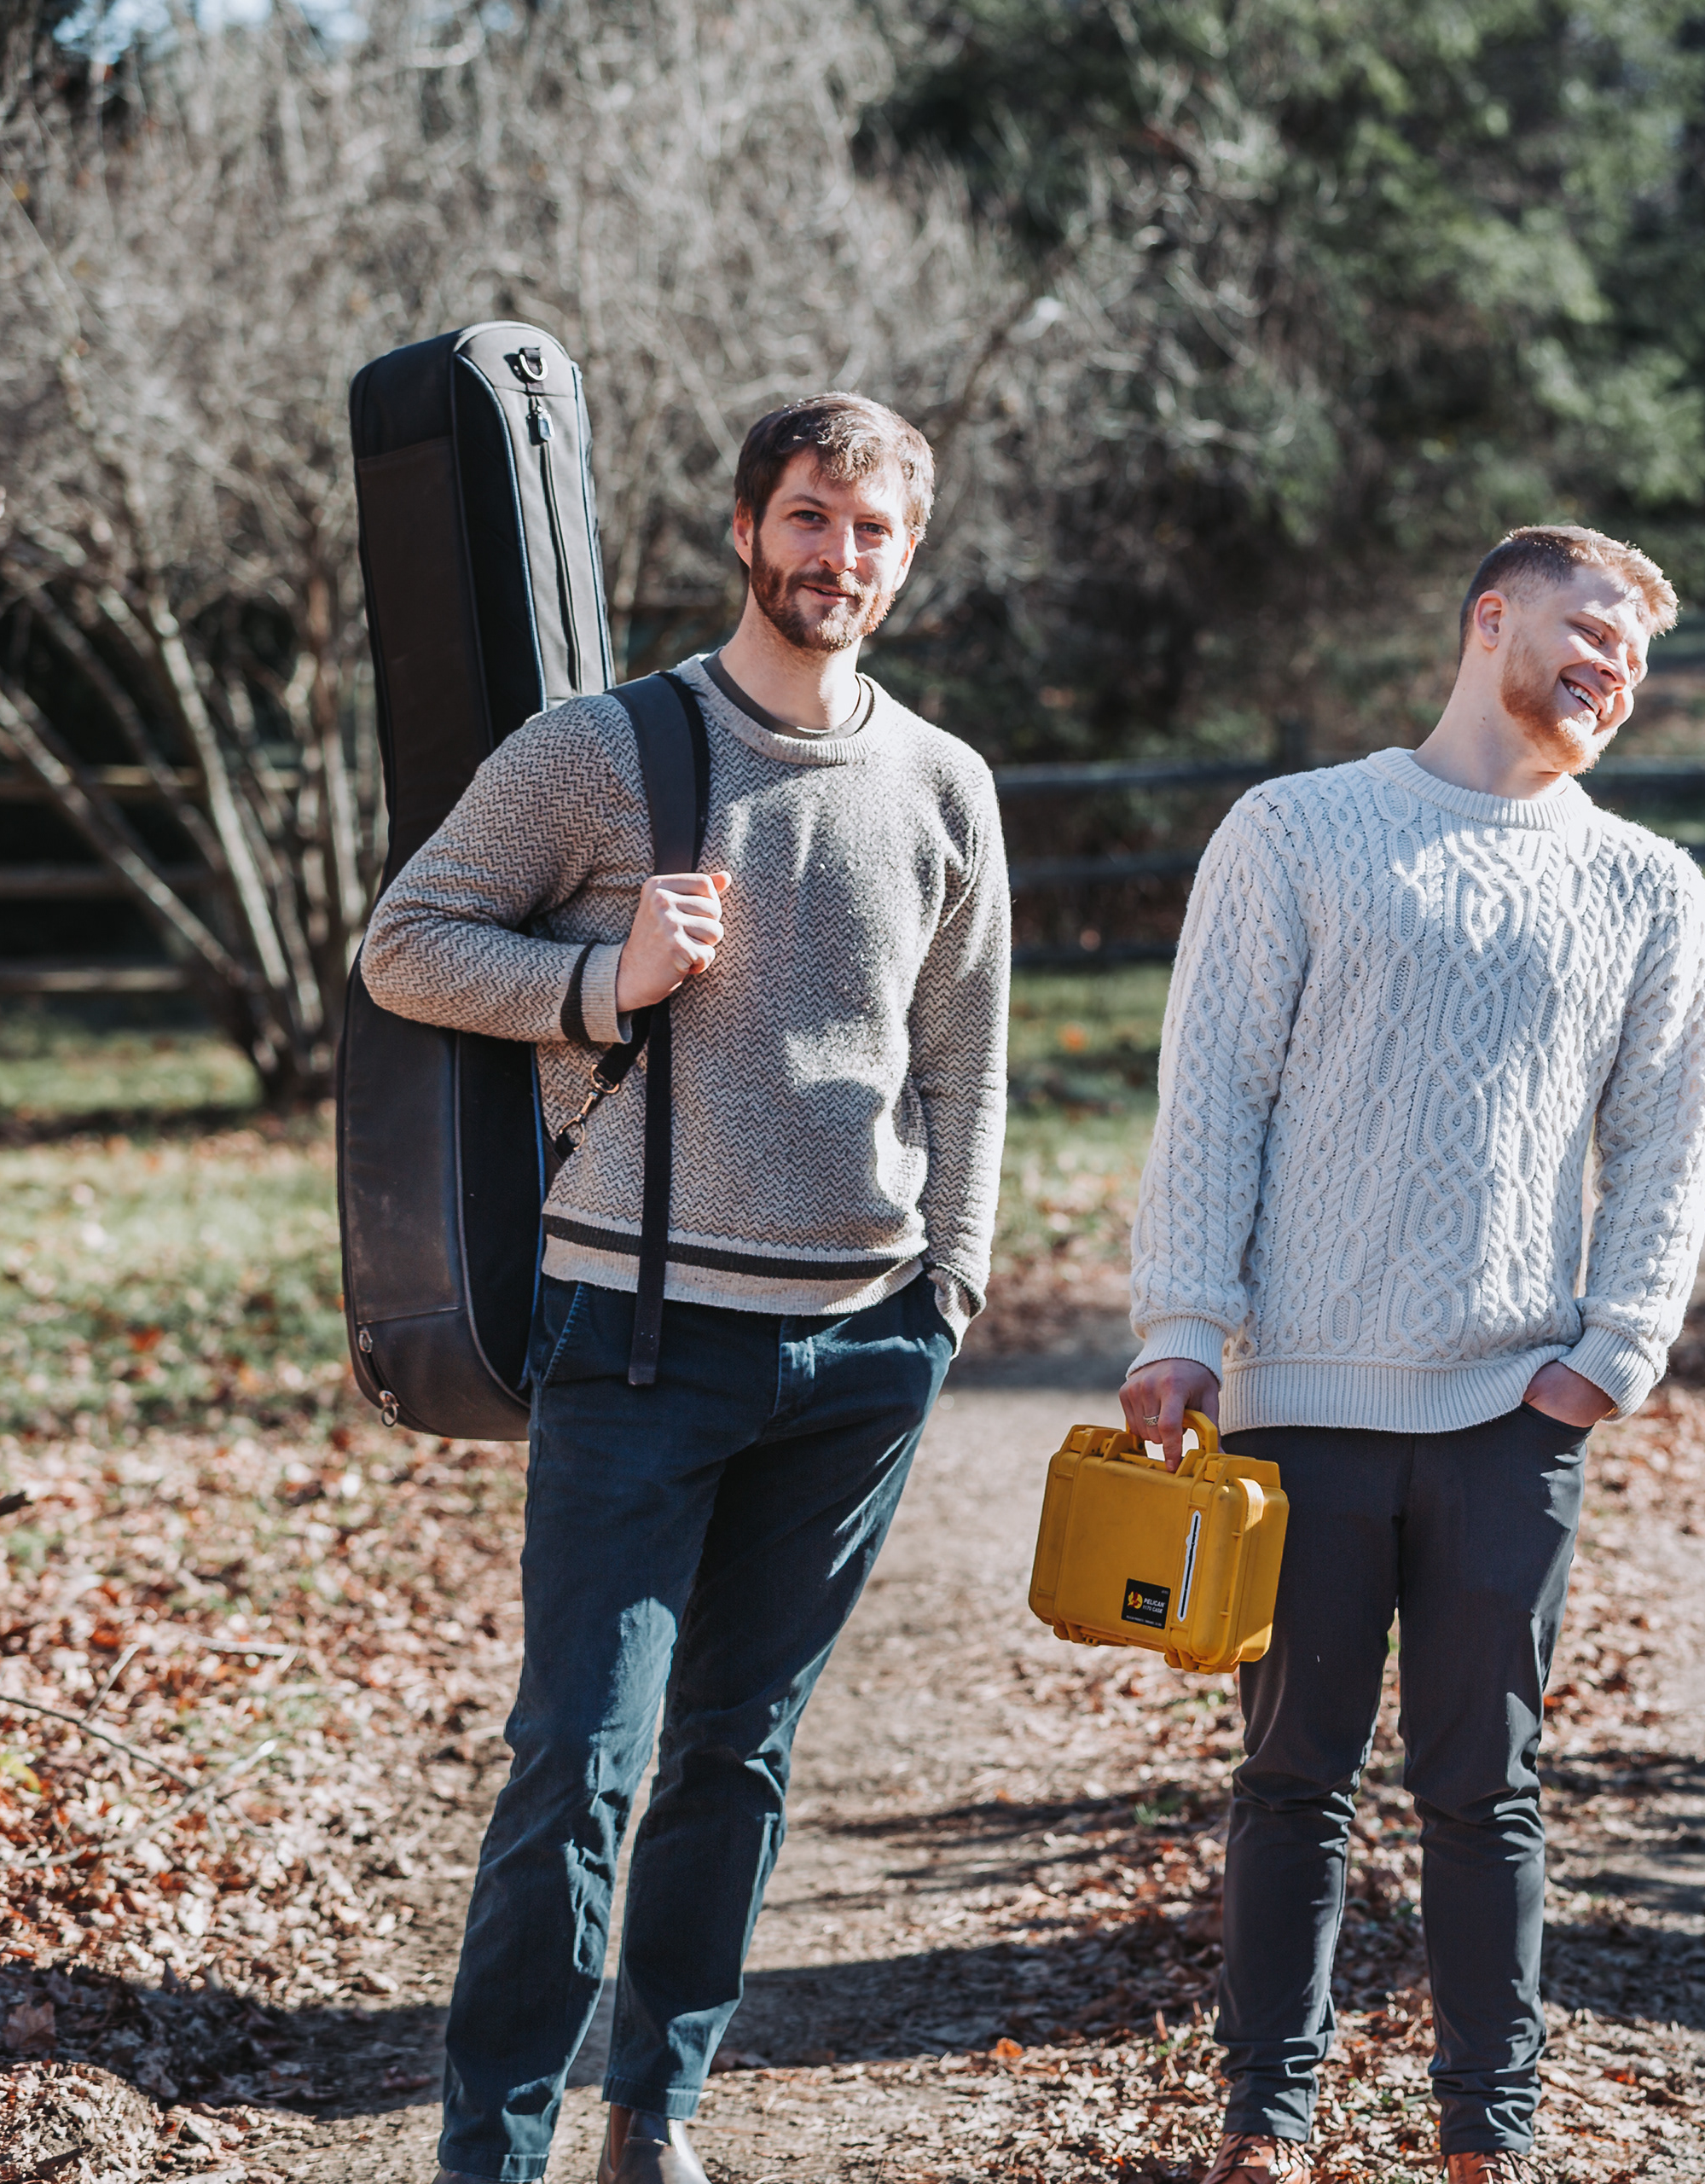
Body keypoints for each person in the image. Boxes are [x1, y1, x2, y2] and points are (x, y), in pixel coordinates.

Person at [361, 393, 1008, 2184]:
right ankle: (491, 2146)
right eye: (811, 518)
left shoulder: (944, 782)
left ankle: (659, 2108)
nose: (839, 557)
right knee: (581, 1757)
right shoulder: (604, 750)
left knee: (738, 1756)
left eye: (874, 531)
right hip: (640, 1340)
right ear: (747, 528)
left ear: (906, 551)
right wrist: (603, 975)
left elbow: (966, 1059)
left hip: (865, 1350)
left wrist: (945, 1289)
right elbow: (404, 943)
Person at [1118, 526, 1705, 2184]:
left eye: (1641, 656)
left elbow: (1669, 1142)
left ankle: (1487, 2136)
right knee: (1291, 1776)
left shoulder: (1647, 883)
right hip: (1300, 1405)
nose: (1616, 667)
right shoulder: (1297, 830)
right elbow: (1214, 1091)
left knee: (1488, 1791)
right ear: (1489, 620)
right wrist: (1180, 1324)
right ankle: (1268, 2122)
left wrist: (1615, 1351)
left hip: (1508, 1415)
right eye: (1592, 626)